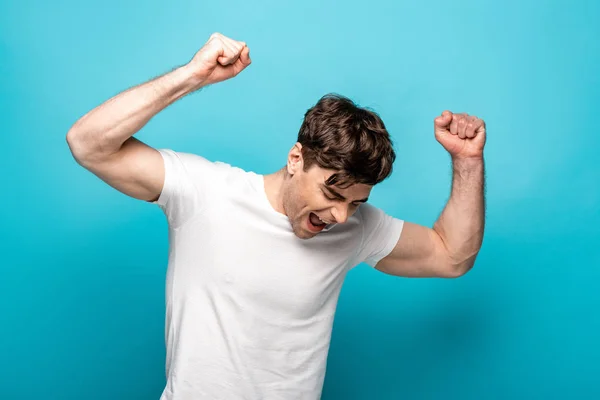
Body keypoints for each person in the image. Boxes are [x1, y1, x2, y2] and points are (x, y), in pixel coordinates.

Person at [66, 32, 486, 400]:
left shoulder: (355, 228)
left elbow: (452, 256)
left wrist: (468, 161)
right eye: (331, 193)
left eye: (355, 203)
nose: (340, 216)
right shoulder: (205, 191)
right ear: (295, 158)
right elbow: (88, 144)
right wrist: (192, 76)